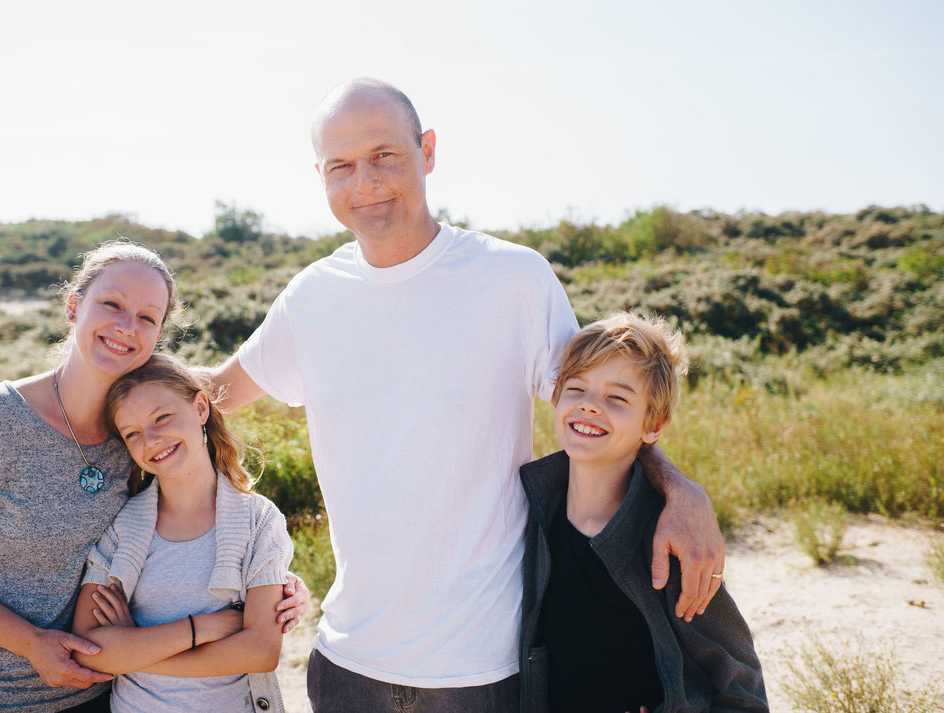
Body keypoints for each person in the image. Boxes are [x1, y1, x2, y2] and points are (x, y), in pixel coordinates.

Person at [210, 78, 727, 712]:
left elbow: (595, 411)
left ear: (427, 150)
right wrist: (88, 369)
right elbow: (208, 397)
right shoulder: (311, 298)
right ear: (320, 175)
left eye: (385, 155)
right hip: (347, 662)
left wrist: (682, 490)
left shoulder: (513, 278)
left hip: (486, 669)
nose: (365, 181)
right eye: (341, 165)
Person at [0, 242, 308, 713]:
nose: (127, 327)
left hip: (101, 697)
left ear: (158, 336)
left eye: (148, 318)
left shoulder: (135, 438)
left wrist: (272, 580)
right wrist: (31, 643)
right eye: (112, 304)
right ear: (73, 307)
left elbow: (187, 533)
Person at [519, 313, 768, 713]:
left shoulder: (670, 542)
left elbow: (739, 682)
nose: (590, 406)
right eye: (576, 388)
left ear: (653, 425)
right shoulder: (529, 511)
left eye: (617, 398)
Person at [70, 353, 292, 713]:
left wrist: (131, 650)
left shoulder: (258, 520)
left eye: (162, 417)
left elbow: (261, 652)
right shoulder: (121, 528)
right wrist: (199, 629)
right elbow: (88, 648)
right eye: (132, 433)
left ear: (200, 408)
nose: (152, 439)